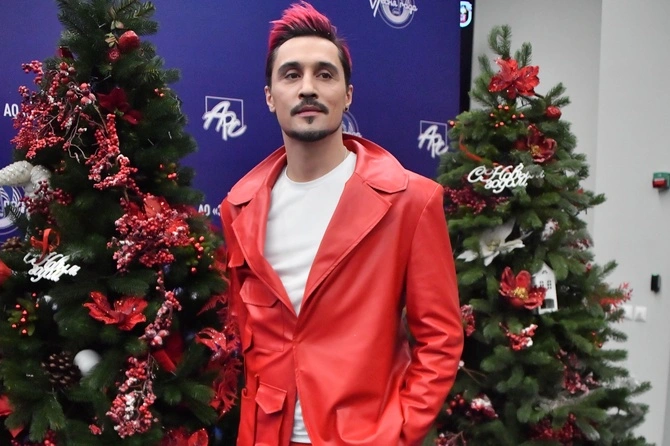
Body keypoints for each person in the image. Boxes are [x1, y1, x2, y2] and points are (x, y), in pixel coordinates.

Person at [220, 2, 464, 445]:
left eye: (324, 74)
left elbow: (441, 339)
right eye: (291, 75)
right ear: (270, 96)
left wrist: (399, 431)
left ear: (347, 94)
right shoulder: (239, 207)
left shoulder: (411, 201)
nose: (307, 88)